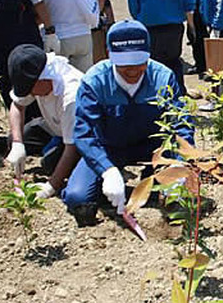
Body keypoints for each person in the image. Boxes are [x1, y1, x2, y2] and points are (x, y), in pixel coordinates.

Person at [62, 20, 194, 226]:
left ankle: (152, 179)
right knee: (77, 198)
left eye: (139, 62)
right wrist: (106, 169)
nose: (132, 70)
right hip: (109, 148)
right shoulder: (95, 82)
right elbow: (84, 133)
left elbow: (180, 124)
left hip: (154, 150)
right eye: (124, 64)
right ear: (109, 55)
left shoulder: (162, 78)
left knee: (176, 197)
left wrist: (179, 162)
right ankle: (116, 183)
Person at [5, 44, 83, 199]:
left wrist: (50, 187)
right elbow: (17, 105)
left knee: (51, 164)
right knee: (14, 137)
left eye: (31, 89)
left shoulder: (71, 96)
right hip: (55, 125)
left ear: (45, 77)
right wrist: (17, 143)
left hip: (80, 137)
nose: (31, 94)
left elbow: (72, 147)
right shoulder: (39, 76)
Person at [127, 0, 195, 95]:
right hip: (173, 28)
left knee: (152, 65)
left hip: (149, 28)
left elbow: (133, 6)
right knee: (174, 62)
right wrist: (191, 28)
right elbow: (188, 0)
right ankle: (179, 95)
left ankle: (155, 97)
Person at [31, 0, 106, 72]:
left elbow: (38, 5)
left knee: (60, 82)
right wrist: (93, 17)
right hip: (84, 34)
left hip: (56, 36)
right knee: (82, 82)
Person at [185, 0, 207, 76]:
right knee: (193, 34)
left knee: (205, 35)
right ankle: (200, 64)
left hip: (206, 0)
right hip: (193, 1)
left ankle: (208, 65)